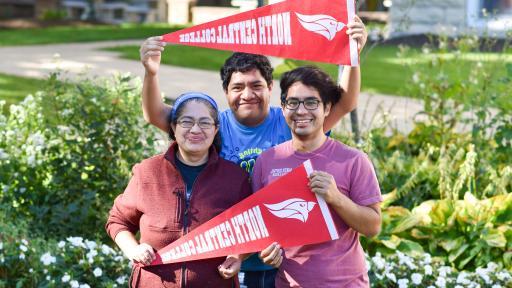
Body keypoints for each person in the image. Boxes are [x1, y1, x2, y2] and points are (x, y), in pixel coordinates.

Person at [139, 16, 368, 288]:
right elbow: (158, 115)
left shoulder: (292, 120)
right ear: (226, 92)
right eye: (238, 87)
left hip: (286, 260)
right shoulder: (215, 126)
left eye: (256, 86)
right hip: (228, 258)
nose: (247, 94)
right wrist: (151, 73)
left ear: (270, 88)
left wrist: (352, 54)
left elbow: (345, 101)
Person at [252, 66, 382, 287]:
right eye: (293, 102)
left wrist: (336, 198)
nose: (301, 111)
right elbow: (260, 224)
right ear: (283, 108)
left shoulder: (353, 160)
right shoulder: (268, 161)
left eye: (311, 102)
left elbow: (373, 227)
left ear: (327, 108)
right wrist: (265, 250)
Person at [105, 92, 252, 287]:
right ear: (174, 127)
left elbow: (252, 228)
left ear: (216, 129)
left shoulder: (235, 178)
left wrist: (238, 256)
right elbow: (118, 221)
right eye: (186, 122)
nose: (195, 129)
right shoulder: (147, 172)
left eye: (205, 123)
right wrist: (133, 249)